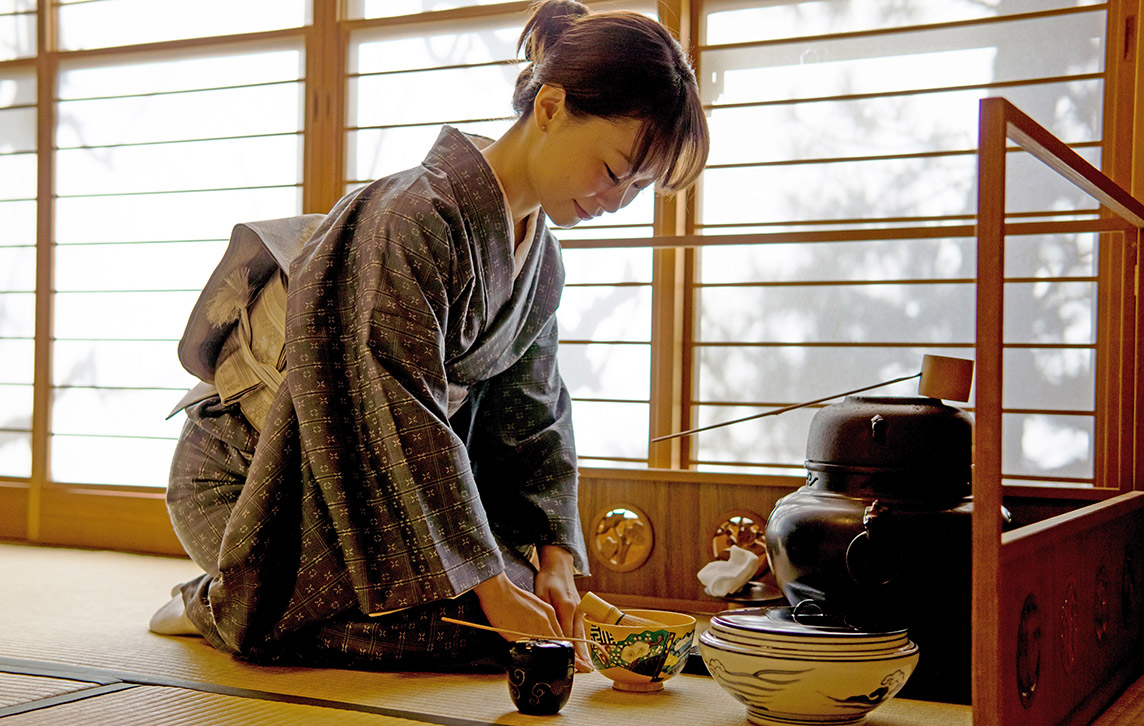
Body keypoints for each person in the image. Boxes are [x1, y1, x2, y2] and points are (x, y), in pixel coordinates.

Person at [150, 0, 709, 673]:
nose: (618, 201)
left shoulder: (543, 261)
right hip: (258, 487)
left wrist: (554, 560)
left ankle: (492, 586)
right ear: (552, 108)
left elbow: (535, 416)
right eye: (617, 170)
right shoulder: (416, 215)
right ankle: (217, 603)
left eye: (639, 187)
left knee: (526, 608)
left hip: (368, 495)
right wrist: (493, 586)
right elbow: (395, 409)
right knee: (468, 626)